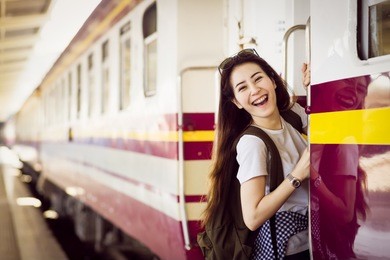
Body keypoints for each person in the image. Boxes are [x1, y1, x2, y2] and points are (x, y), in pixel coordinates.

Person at [201, 49, 310, 259]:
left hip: (313, 236)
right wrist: (297, 175)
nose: (255, 89)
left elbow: (327, 136)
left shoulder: (292, 113)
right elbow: (252, 216)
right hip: (290, 251)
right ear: (237, 102)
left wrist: (314, 89)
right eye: (243, 88)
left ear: (273, 80)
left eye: (258, 78)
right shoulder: (252, 143)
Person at [310, 75, 370, 259]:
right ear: (324, 83)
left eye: (361, 89)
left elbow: (345, 214)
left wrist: (313, 178)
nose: (353, 91)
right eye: (347, 81)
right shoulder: (306, 127)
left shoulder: (345, 142)